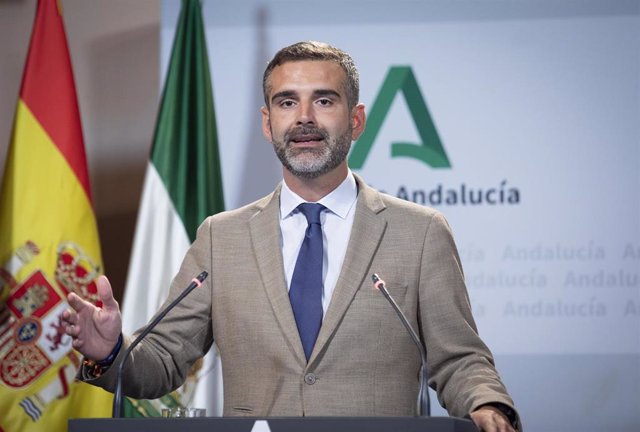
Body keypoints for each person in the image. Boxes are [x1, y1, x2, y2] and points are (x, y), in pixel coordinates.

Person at [62, 41, 521, 431]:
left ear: (357, 120)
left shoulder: (419, 232)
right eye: (286, 103)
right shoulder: (222, 237)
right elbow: (161, 362)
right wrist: (112, 351)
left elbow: (459, 359)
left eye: (324, 101)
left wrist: (487, 406)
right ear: (267, 123)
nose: (304, 118)